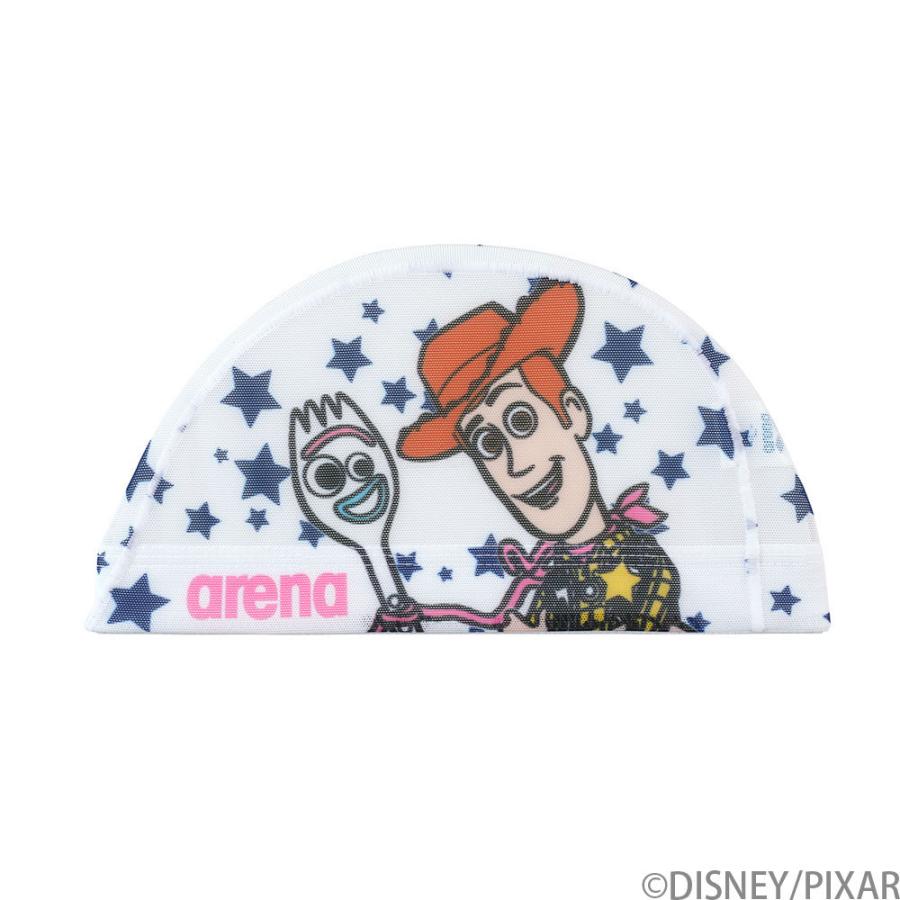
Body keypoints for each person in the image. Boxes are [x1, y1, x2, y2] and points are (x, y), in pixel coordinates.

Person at [393, 279, 687, 632]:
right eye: (488, 445)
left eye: (521, 420)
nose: (518, 466)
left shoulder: (641, 556)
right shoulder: (548, 579)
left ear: (573, 412)